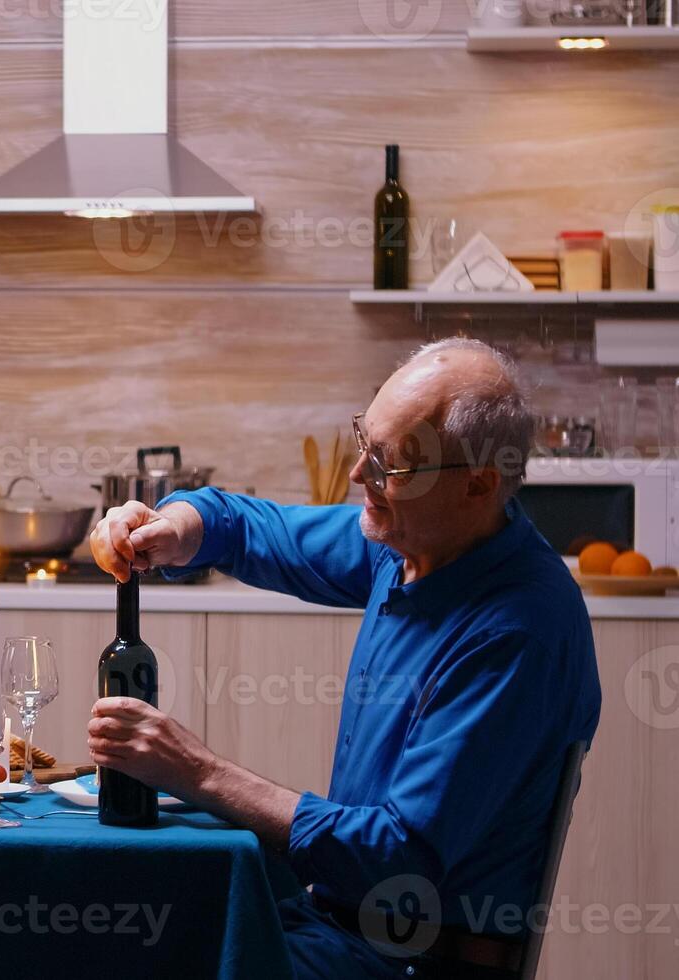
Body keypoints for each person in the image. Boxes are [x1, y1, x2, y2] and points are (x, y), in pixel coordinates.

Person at [86, 338, 600, 979]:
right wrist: (171, 526)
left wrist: (196, 771)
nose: (360, 475)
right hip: (341, 933)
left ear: (478, 484)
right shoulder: (415, 543)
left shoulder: (518, 632)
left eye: (389, 466)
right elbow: (245, 527)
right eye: (366, 442)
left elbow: (398, 858)